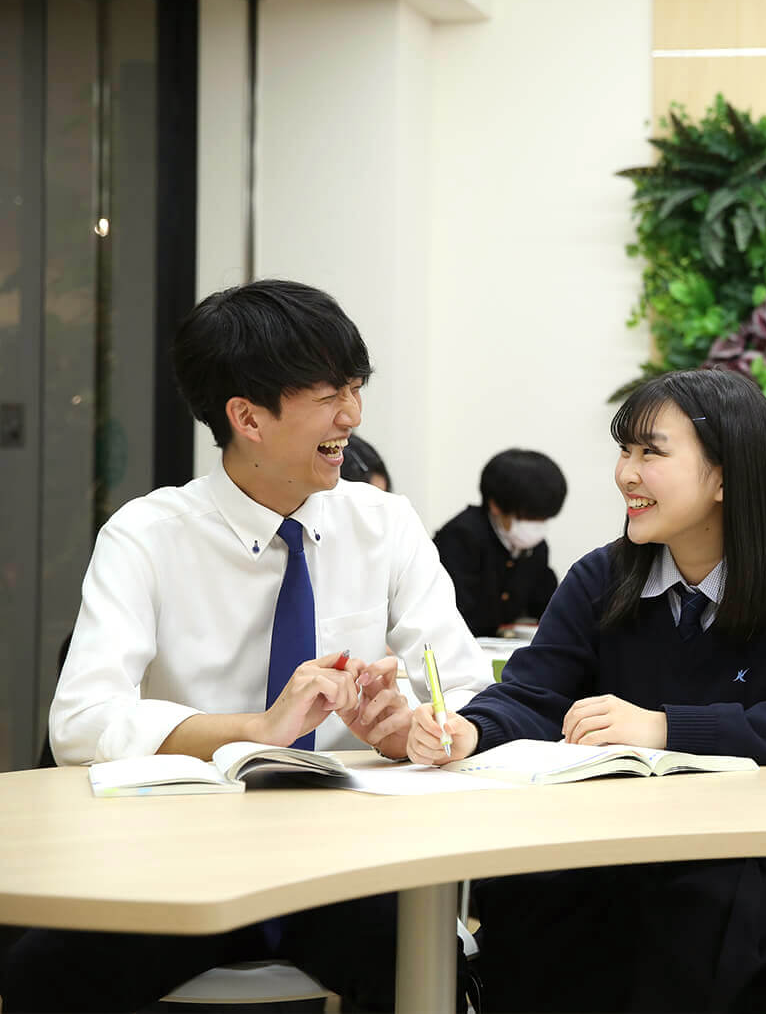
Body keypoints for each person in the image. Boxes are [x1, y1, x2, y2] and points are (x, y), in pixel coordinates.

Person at [1, 280, 491, 1013]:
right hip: (177, 862)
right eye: (329, 394)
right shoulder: (147, 535)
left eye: (356, 388)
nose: (352, 416)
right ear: (247, 416)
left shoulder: (386, 524)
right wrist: (256, 732)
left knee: (451, 971)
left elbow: (470, 692)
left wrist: (415, 729)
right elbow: (80, 721)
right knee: (44, 973)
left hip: (343, 864)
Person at [406, 369, 766, 1013]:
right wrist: (469, 728)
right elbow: (532, 693)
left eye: (651, 452)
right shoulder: (599, 578)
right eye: (624, 450)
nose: (625, 474)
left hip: (752, 857)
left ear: (726, 474)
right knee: (527, 900)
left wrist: (663, 728)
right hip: (610, 845)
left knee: (685, 920)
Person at [434, 449, 566, 636]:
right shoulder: (462, 536)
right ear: (495, 505)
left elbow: (548, 605)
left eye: (542, 519)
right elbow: (455, 614)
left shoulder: (535, 546)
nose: (536, 527)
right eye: (528, 517)